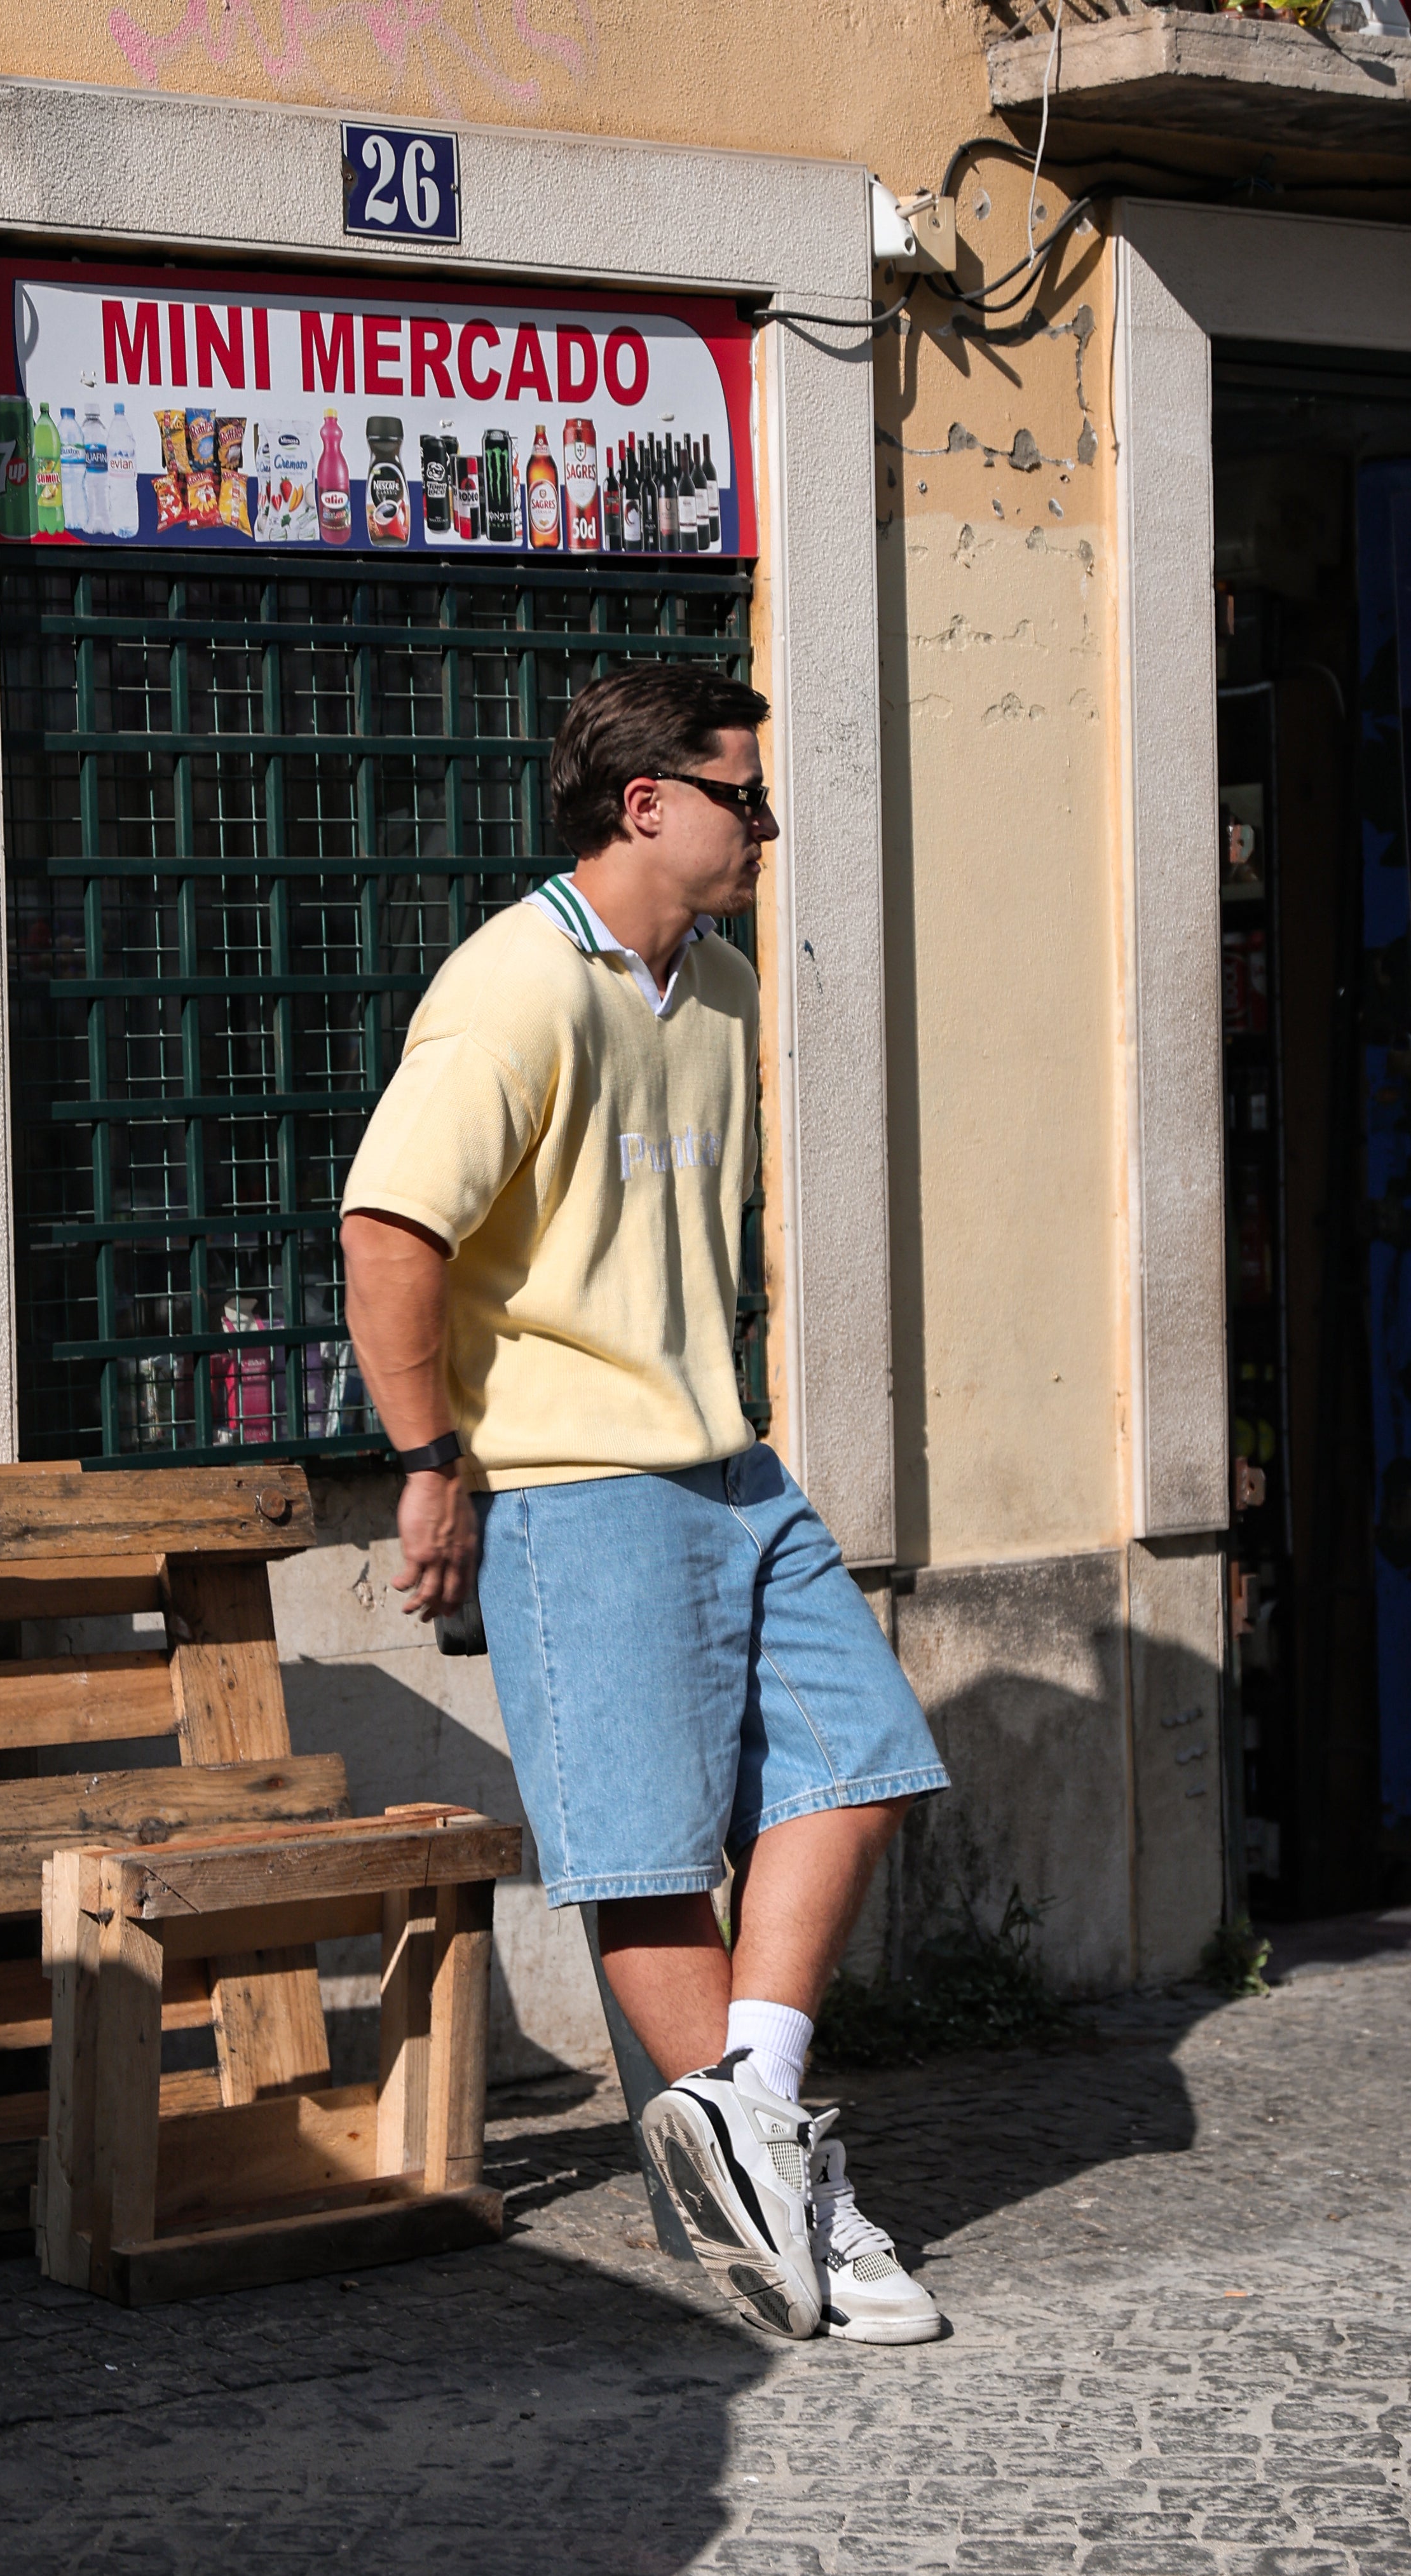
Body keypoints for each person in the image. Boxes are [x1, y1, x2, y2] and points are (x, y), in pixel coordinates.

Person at [339, 662, 950, 2345]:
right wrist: (426, 1462)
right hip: (568, 1477)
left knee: (860, 1750)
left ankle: (748, 2100)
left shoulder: (725, 982)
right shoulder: (511, 987)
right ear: (644, 803)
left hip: (727, 1456)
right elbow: (389, 1229)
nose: (764, 822)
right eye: (741, 794)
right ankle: (783, 2212)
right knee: (648, 1851)